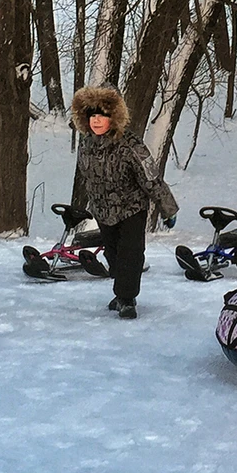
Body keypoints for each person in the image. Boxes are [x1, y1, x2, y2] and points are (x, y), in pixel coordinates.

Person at [72, 85, 178, 320]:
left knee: (131, 253)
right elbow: (86, 178)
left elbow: (150, 177)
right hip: (103, 210)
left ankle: (127, 299)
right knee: (113, 255)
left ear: (114, 118)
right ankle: (121, 293)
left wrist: (167, 207)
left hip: (131, 208)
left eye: (102, 116)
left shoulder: (130, 144)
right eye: (92, 116)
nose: (97, 121)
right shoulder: (86, 145)